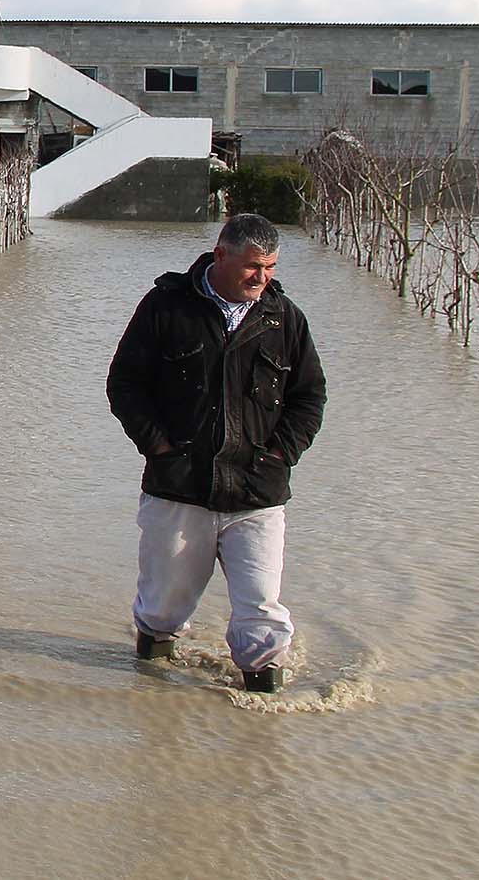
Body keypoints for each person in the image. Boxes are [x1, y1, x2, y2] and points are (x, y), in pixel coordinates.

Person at [106, 213, 327, 693]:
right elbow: (125, 385)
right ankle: (151, 699)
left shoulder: (284, 317)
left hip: (258, 495)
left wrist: (279, 454)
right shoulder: (166, 307)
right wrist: (160, 448)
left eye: (269, 266)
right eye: (252, 266)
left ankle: (263, 701)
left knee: (261, 609)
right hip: (178, 489)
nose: (262, 277)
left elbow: (309, 398)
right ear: (220, 255)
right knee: (162, 609)